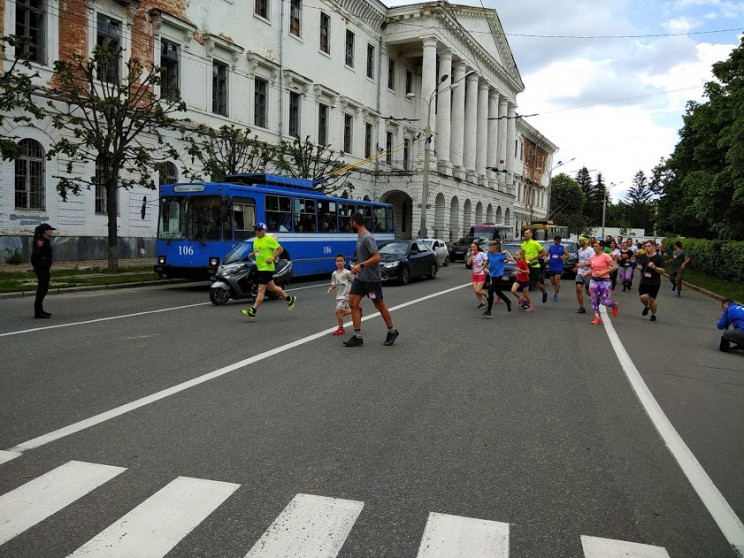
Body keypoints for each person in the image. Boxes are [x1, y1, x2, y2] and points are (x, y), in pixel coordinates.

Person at [343, 212, 399, 347]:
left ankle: (392, 331)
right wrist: (356, 267)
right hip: (361, 278)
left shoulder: (367, 238)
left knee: (379, 305)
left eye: (351, 222)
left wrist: (361, 265)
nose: (350, 224)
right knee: (353, 303)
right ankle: (357, 336)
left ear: (354, 222)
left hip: (372, 279)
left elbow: (376, 257)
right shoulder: (360, 236)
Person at [241, 222, 297, 319]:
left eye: (258, 230)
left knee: (261, 289)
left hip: (266, 268)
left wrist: (272, 257)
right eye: (255, 229)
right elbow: (259, 250)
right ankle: (290, 299)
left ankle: (252, 311)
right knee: (272, 287)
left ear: (263, 230)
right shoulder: (256, 240)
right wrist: (252, 254)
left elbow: (280, 249)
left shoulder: (269, 239)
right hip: (260, 267)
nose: (256, 231)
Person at [588, 241, 619, 325]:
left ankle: (614, 305)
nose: (594, 248)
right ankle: (597, 318)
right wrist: (586, 273)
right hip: (594, 280)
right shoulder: (592, 257)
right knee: (593, 300)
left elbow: (614, 267)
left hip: (604, 281)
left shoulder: (606, 256)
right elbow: (592, 269)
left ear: (601, 247)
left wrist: (603, 272)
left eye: (596, 246)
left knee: (603, 301)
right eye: (594, 246)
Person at [483, 239, 514, 317]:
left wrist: (506, 252)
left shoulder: (500, 255)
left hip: (499, 275)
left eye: (491, 246)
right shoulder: (489, 254)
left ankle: (488, 311)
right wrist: (482, 267)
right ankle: (508, 302)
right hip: (492, 275)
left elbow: (512, 260)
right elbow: (487, 261)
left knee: (490, 291)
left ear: (495, 248)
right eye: (489, 246)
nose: (489, 247)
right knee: (498, 292)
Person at [30, 223, 55, 319]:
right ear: (45, 231)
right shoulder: (40, 241)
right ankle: (38, 312)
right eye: (50, 230)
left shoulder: (45, 240)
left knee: (44, 289)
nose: (51, 231)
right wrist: (36, 267)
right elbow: (34, 256)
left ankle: (40, 310)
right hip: (42, 268)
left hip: (44, 267)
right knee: (41, 290)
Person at [637, 240, 665, 322]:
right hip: (644, 280)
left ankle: (653, 315)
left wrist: (654, 267)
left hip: (654, 282)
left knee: (652, 299)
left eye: (649, 246)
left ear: (653, 247)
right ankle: (647, 306)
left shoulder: (659, 258)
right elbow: (639, 264)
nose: (647, 248)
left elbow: (663, 270)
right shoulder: (642, 256)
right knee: (643, 297)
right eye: (645, 246)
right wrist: (639, 267)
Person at [327, 254, 354, 335]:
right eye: (337, 261)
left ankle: (341, 329)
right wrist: (331, 288)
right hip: (339, 296)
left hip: (346, 295)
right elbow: (335, 284)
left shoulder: (347, 273)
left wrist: (350, 290)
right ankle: (355, 311)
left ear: (344, 262)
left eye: (341, 261)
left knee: (337, 311)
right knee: (340, 313)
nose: (339, 263)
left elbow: (355, 282)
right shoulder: (334, 274)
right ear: (335, 263)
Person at [521, 228, 547, 303]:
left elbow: (544, 253)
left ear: (531, 234)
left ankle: (544, 293)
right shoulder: (523, 245)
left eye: (527, 233)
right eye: (524, 233)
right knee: (525, 284)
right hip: (526, 266)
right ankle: (525, 301)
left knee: (537, 283)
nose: (525, 235)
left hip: (534, 266)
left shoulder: (535, 243)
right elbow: (522, 256)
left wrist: (535, 257)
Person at [573, 236, 594, 313]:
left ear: (585, 241)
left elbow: (593, 262)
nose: (580, 242)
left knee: (588, 292)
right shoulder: (579, 251)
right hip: (580, 272)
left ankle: (596, 297)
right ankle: (582, 307)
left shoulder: (591, 250)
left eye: (581, 240)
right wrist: (577, 268)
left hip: (588, 273)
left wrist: (582, 265)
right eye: (579, 240)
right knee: (578, 288)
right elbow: (580, 261)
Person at [546, 236, 569, 302]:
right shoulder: (550, 247)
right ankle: (557, 285)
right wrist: (545, 258)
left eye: (559, 241)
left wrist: (564, 257)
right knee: (553, 282)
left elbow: (568, 255)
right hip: (551, 267)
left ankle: (555, 295)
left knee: (556, 280)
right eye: (557, 240)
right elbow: (546, 254)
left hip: (559, 267)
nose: (558, 242)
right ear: (554, 241)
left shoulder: (562, 248)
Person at [467, 241, 488, 309]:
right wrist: (472, 255)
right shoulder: (472, 255)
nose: (472, 248)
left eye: (474, 247)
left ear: (477, 247)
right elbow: (468, 263)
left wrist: (481, 264)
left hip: (481, 273)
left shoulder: (481, 254)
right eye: (471, 247)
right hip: (474, 274)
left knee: (478, 290)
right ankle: (482, 303)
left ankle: (488, 296)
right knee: (476, 291)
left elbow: (487, 261)